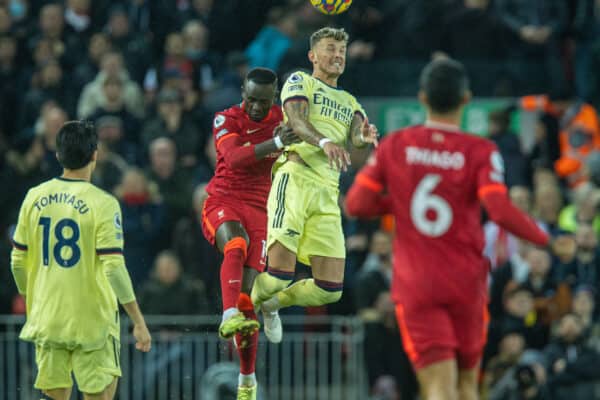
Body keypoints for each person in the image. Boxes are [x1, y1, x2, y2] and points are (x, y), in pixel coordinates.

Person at [345, 58, 549, 400]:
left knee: (438, 387)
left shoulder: (396, 145)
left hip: (417, 283)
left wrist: (400, 201)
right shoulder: (480, 150)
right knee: (467, 385)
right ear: (466, 99)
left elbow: (356, 205)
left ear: (422, 97)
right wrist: (544, 238)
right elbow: (498, 209)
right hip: (466, 282)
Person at [250, 27, 378, 344]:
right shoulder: (300, 81)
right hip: (296, 177)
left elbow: (356, 140)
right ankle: (241, 307)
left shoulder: (350, 101)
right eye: (330, 48)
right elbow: (296, 121)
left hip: (327, 191)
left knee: (329, 289)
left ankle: (271, 306)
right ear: (312, 56)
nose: (337, 55)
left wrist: (364, 138)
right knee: (279, 273)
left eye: (342, 51)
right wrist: (323, 142)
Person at [10, 120, 151, 400]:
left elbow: (17, 261)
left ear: (58, 154)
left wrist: (33, 300)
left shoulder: (33, 197)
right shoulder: (103, 203)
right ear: (95, 154)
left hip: (48, 318)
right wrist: (137, 320)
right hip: (92, 323)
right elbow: (113, 267)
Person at [200, 67, 299, 400]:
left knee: (249, 301)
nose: (255, 107)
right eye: (250, 99)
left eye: (263, 101)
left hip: (261, 209)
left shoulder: (286, 118)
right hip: (224, 199)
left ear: (274, 96)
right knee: (235, 244)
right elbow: (234, 157)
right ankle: (226, 314)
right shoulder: (226, 119)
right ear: (242, 90)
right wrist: (275, 142)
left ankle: (247, 379)